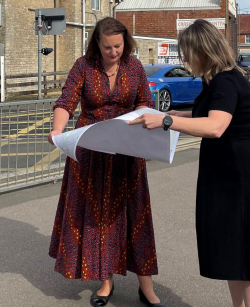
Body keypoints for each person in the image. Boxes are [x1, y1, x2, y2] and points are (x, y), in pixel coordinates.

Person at [129, 19, 250, 307]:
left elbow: (216, 126)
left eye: (187, 52)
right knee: (234, 257)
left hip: (243, 182)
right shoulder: (215, 80)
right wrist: (177, 114)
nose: (184, 59)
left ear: (204, 50)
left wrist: (166, 119)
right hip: (228, 179)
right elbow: (208, 115)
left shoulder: (226, 80)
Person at [48, 17, 165, 307]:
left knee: (136, 216)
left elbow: (144, 102)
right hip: (92, 152)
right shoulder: (82, 66)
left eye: (118, 46)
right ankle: (106, 281)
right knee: (99, 218)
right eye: (108, 47)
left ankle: (146, 287)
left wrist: (137, 116)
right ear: (96, 45)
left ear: (125, 43)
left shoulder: (134, 66)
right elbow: (66, 102)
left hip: (126, 149)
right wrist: (57, 131)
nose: (114, 52)